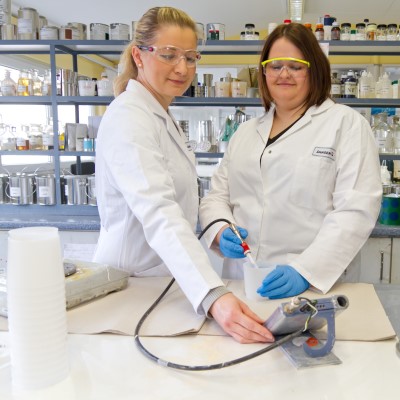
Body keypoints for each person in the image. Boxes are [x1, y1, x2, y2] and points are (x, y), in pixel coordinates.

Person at [92, 7, 273, 344]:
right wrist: (213, 297)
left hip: (162, 280)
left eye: (191, 57)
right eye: (169, 55)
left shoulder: (160, 114)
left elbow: (187, 196)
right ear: (139, 55)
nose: (182, 68)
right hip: (129, 284)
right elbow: (160, 213)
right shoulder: (129, 119)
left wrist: (215, 230)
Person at [199, 23, 382, 299]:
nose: (284, 73)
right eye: (275, 65)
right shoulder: (246, 132)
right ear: (264, 72)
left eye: (296, 66)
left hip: (312, 286)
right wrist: (220, 229)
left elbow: (355, 211)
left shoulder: (346, 125)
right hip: (242, 280)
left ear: (314, 70)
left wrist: (305, 270)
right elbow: (217, 196)